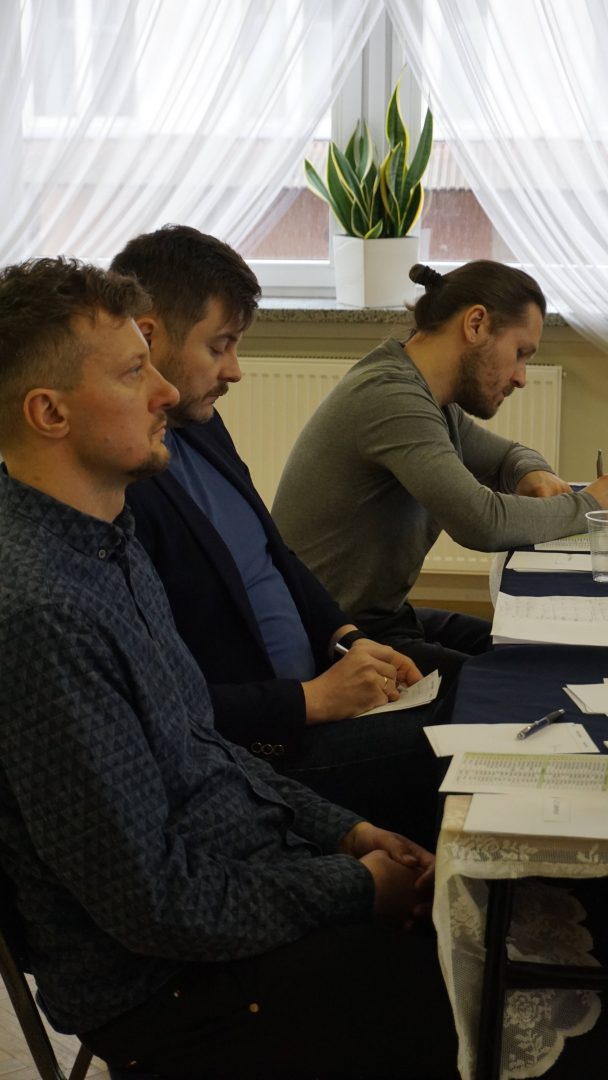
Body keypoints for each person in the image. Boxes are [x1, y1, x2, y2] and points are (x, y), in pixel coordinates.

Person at [0, 256, 458, 1080]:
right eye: (134, 372)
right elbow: (153, 905)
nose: (164, 391)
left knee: (487, 922)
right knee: (473, 994)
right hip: (167, 986)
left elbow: (206, 745)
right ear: (49, 412)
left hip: (239, 884)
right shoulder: (42, 614)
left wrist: (344, 834)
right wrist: (356, 886)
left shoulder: (108, 542)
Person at [111, 226, 446, 848]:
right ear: (148, 336)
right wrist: (310, 700)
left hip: (321, 684)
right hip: (265, 746)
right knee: (450, 738)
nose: (235, 371)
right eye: (220, 346)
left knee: (462, 689)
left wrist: (349, 640)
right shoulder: (123, 482)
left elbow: (275, 554)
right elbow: (163, 700)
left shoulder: (201, 424)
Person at [272, 260, 608, 666]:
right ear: (476, 324)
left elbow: (507, 456)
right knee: (526, 676)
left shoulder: (429, 398)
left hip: (380, 619)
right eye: (520, 353)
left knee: (537, 651)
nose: (521, 377)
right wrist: (590, 505)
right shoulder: (392, 398)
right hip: (337, 640)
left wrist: (531, 472)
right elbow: (482, 522)